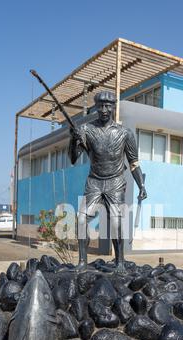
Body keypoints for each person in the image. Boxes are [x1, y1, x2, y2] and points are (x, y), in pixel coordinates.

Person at [69, 90, 147, 272]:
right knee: (81, 220)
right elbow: (73, 158)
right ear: (96, 107)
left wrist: (141, 186)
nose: (104, 109)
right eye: (100, 106)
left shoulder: (125, 133)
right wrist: (73, 140)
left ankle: (119, 261)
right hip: (94, 182)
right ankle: (82, 261)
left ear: (113, 107)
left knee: (116, 223)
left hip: (116, 182)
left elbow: (133, 163)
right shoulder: (86, 130)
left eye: (108, 106)